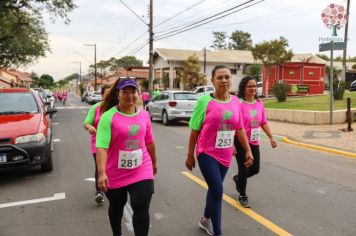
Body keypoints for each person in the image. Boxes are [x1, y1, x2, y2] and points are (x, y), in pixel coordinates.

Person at [185, 65, 254, 236]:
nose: (224, 80)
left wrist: (247, 150)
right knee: (217, 190)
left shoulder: (236, 101)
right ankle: (218, 232)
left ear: (231, 80)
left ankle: (205, 219)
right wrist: (190, 155)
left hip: (225, 154)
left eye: (227, 77)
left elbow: (239, 128)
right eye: (220, 77)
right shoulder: (204, 102)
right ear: (212, 81)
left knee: (215, 189)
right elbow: (195, 130)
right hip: (206, 152)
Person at [96, 78, 157, 236]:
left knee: (141, 206)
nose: (129, 95)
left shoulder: (144, 115)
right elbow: (102, 147)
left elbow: (149, 142)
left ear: (138, 94)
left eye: (133, 91)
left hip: (141, 168)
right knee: (117, 206)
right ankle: (117, 233)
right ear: (118, 94)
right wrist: (102, 173)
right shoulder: (108, 117)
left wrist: (154, 163)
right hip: (115, 171)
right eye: (125, 92)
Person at [232, 76, 277, 208]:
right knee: (244, 168)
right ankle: (242, 195)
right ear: (243, 88)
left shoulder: (259, 104)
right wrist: (233, 144)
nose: (252, 88)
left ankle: (238, 178)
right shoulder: (239, 104)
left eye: (254, 86)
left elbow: (263, 122)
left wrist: (271, 137)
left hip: (254, 141)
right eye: (249, 86)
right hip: (240, 141)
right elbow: (234, 125)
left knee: (255, 169)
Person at [83, 84, 112, 204]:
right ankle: (99, 191)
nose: (110, 96)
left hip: (114, 144)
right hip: (98, 143)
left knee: (113, 166)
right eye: (107, 94)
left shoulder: (117, 108)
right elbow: (86, 123)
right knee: (100, 166)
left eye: (112, 93)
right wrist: (90, 128)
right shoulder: (95, 108)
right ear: (102, 95)